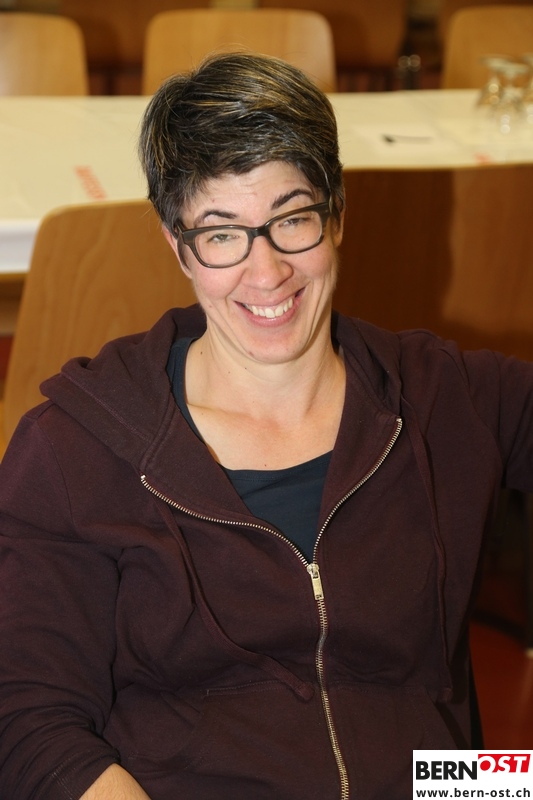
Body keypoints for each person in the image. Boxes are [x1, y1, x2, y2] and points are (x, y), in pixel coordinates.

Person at [0, 51, 532, 800]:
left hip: (430, 783)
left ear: (336, 216)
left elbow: (458, 767)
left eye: (291, 220)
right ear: (178, 245)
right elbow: (31, 725)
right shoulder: (75, 449)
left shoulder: (447, 397)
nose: (266, 271)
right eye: (222, 234)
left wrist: (505, 785)